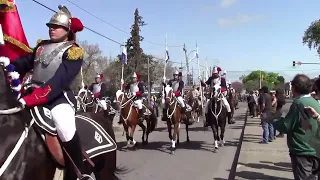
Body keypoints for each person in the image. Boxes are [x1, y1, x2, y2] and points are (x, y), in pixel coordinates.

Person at [0, 5, 89, 179]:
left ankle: (78, 172)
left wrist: (33, 98)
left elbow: (59, 82)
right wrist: (7, 64)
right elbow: (25, 63)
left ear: (67, 30)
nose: (52, 29)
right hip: (31, 93)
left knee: (65, 127)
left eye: (56, 27)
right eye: (50, 26)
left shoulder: (73, 52)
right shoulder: (41, 46)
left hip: (57, 98)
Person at [273, 74, 320, 180]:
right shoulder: (315, 102)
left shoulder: (298, 103)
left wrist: (275, 119)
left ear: (295, 88)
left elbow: (286, 126)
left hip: (302, 150)